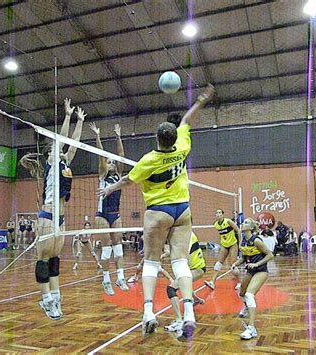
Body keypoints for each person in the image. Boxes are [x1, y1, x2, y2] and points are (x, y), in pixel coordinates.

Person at [98, 84, 215, 340]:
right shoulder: (183, 146)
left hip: (158, 211)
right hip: (182, 210)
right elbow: (186, 120)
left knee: (151, 262)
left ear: (157, 139)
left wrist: (110, 189)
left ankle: (149, 313)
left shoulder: (149, 160)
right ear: (174, 137)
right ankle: (188, 313)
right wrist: (202, 101)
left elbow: (128, 179)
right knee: (180, 262)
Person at [19, 98, 84, 320]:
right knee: (43, 259)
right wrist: (67, 116)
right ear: (50, 155)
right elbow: (62, 139)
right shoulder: (52, 162)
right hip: (47, 216)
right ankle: (45, 300)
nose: (62, 150)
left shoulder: (65, 163)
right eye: (58, 149)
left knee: (55, 260)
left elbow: (74, 142)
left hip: (61, 219)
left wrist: (80, 121)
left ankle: (55, 296)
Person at [89, 122, 129, 295]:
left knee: (118, 248)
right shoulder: (102, 175)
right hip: (102, 216)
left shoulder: (119, 176)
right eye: (109, 162)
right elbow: (101, 157)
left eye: (113, 162)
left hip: (116, 215)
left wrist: (118, 136)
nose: (111, 163)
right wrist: (97, 136)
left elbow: (121, 155)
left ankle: (120, 278)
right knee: (106, 251)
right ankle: (106, 280)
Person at [231, 218, 274, 340]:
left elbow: (270, 255)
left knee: (249, 295)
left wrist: (257, 264)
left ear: (250, 227)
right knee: (242, 293)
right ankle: (246, 307)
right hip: (250, 271)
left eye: (245, 223)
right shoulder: (244, 240)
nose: (242, 224)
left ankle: (251, 328)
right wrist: (236, 263)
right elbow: (244, 258)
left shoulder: (256, 240)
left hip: (261, 271)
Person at [164, 230, 206, 333]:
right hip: (198, 267)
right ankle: (196, 299)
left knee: (171, 289)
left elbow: (184, 255)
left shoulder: (186, 235)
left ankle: (178, 321)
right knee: (184, 285)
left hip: (196, 268)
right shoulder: (188, 233)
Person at [204, 209, 240, 291]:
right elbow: (222, 235)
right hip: (224, 245)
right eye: (216, 213)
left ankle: (239, 282)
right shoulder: (216, 225)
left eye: (219, 213)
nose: (218, 214)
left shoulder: (228, 221)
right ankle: (212, 282)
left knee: (233, 265)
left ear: (223, 215)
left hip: (233, 244)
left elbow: (238, 230)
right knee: (218, 264)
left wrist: (240, 243)